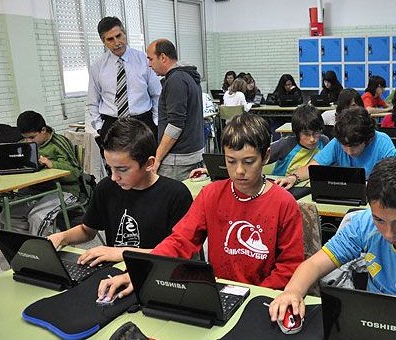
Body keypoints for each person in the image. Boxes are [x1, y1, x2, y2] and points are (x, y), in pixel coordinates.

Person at [97, 114, 305, 300]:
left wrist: (255, 297)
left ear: (266, 156)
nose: (239, 171)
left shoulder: (284, 203)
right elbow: (180, 241)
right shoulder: (211, 194)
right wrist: (141, 272)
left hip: (263, 297)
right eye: (231, 161)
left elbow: (289, 267)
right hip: (219, 293)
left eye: (249, 161)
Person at [269, 157, 396, 321]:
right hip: (374, 314)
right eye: (379, 219)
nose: (388, 233)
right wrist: (292, 291)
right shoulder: (364, 223)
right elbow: (315, 264)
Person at [48, 118, 193, 267]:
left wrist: (122, 252)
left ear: (149, 164)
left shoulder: (176, 195)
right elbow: (87, 230)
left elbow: (178, 253)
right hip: (114, 271)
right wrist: (62, 237)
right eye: (110, 167)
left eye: (122, 169)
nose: (114, 177)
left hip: (157, 272)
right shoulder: (106, 188)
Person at [0, 111, 81, 236]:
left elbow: (76, 172)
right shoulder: (23, 144)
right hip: (36, 191)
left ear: (43, 130)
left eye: (32, 137)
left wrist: (51, 163)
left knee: (37, 217)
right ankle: (26, 247)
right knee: (8, 216)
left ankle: (39, 251)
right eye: (25, 137)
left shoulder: (59, 143)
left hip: (64, 190)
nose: (28, 141)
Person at [276, 107, 396, 190]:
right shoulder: (337, 142)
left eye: (354, 146)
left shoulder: (382, 142)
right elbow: (312, 168)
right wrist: (293, 178)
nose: (349, 152)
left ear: (368, 139)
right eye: (345, 146)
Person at [88, 16, 161, 148]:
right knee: (117, 167)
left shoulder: (144, 60)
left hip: (143, 122)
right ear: (103, 41)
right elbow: (93, 101)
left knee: (146, 164)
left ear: (125, 33)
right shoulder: (97, 67)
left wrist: (156, 122)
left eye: (119, 36)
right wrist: (99, 127)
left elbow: (157, 94)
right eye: (110, 39)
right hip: (112, 125)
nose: (117, 42)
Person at [146, 39, 205, 181]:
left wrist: (158, 158)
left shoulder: (176, 80)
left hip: (177, 160)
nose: (149, 64)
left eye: (151, 59)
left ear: (163, 57)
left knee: (172, 201)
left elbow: (175, 125)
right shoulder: (188, 76)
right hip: (191, 153)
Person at [270, 104, 329, 176]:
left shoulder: (324, 141)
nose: (312, 139)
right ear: (297, 132)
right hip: (282, 184)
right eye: (306, 134)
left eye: (316, 133)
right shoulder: (286, 144)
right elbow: (260, 157)